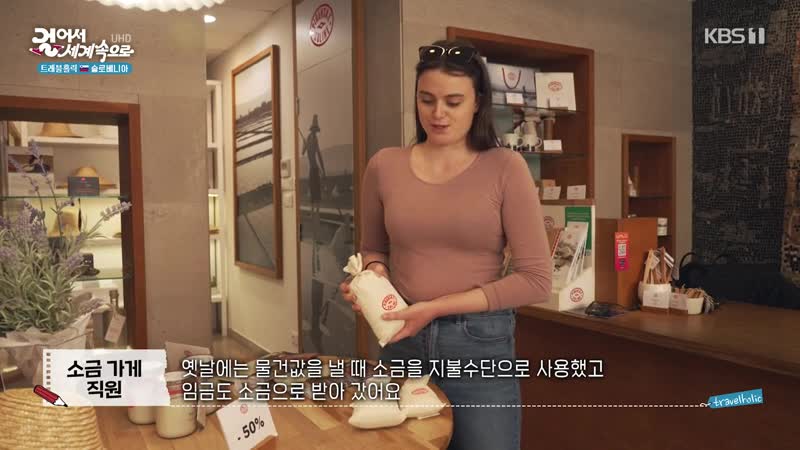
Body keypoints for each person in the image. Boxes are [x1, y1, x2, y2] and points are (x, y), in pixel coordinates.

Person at [339, 39, 552, 450]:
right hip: (402, 340)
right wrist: (372, 281)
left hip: (478, 346)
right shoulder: (384, 165)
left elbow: (536, 280)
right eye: (427, 100)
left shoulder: (505, 167)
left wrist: (435, 308)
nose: (438, 113)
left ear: (478, 103)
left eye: (453, 102)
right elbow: (374, 249)